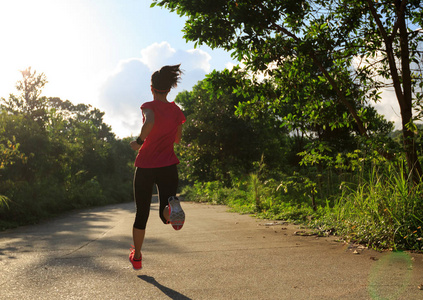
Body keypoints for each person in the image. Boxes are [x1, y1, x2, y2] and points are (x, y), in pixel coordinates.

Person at [128, 64, 186, 270]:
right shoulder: (176, 110)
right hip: (169, 165)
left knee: (141, 212)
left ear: (152, 88)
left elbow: (150, 122)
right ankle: (172, 209)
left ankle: (137, 256)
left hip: (145, 165)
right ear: (169, 89)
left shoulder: (148, 106)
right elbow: (178, 139)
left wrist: (139, 141)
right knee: (164, 212)